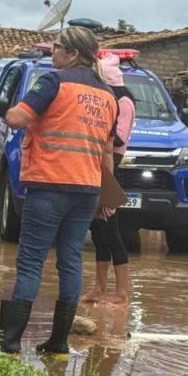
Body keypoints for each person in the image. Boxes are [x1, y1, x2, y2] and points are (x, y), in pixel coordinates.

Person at [0, 26, 118, 354]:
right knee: (71, 260)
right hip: (88, 189)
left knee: (31, 261)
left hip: (49, 184)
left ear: (73, 54)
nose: (53, 53)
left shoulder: (52, 82)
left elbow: (18, 118)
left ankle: (9, 343)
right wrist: (108, 195)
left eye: (57, 48)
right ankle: (58, 341)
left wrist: (7, 110)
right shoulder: (108, 95)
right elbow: (107, 151)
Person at [82, 53, 135, 306]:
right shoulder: (112, 99)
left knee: (111, 231)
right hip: (98, 166)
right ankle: (99, 289)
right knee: (100, 232)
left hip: (111, 169)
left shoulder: (123, 102)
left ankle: (122, 293)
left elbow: (117, 139)